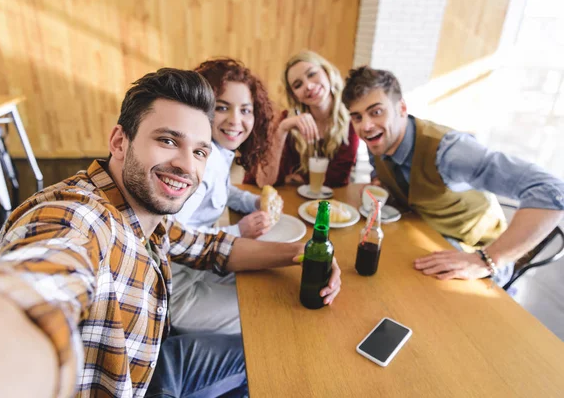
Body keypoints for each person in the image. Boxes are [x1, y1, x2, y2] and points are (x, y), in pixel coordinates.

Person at [0, 68, 342, 398]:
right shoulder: (77, 217)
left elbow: (211, 246)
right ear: (119, 141)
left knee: (259, 351)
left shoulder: (148, 213)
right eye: (167, 140)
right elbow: (39, 283)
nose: (185, 165)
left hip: (152, 359)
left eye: (199, 152)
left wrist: (307, 253)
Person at [342, 65, 564, 286]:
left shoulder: (450, 152)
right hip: (427, 239)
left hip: (475, 254)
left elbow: (551, 190)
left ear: (401, 108)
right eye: (357, 117)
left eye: (376, 112)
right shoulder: (379, 145)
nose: (366, 126)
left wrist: (487, 259)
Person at [170, 58, 275, 335]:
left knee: (269, 280)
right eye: (222, 107)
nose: (236, 121)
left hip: (199, 271)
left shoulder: (215, 152)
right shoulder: (201, 162)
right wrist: (236, 231)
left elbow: (222, 190)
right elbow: (168, 232)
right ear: (200, 108)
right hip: (177, 294)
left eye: (245, 110)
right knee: (266, 310)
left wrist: (250, 202)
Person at [245, 50, 359, 188]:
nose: (309, 86)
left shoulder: (351, 120)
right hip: (288, 199)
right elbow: (265, 182)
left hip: (326, 204)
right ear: (294, 95)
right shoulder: (286, 120)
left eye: (312, 74)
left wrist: (301, 180)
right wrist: (282, 130)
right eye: (298, 85)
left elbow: (336, 181)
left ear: (327, 72)